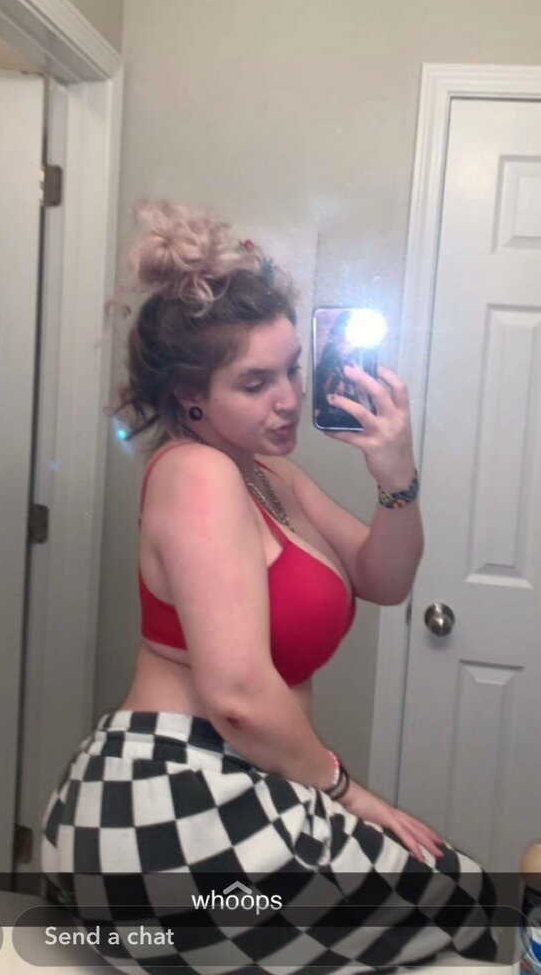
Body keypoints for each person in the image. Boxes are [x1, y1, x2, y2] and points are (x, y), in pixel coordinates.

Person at [40, 201, 500, 974]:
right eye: (255, 382)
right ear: (190, 396)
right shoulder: (196, 473)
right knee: (476, 915)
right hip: (168, 806)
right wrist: (348, 792)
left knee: (474, 911)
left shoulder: (268, 476)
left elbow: (385, 579)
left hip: (232, 788)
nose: (288, 397)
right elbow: (237, 696)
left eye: (291, 368)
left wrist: (395, 476)